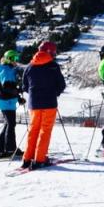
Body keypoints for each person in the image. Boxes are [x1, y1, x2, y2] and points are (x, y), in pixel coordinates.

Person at [20, 41, 66, 169]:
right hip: (49, 103)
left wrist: (34, 94)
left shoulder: (29, 66)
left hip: (33, 104)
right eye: (54, 52)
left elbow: (24, 86)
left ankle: (27, 158)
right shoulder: (53, 66)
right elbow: (61, 85)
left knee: (33, 130)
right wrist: (54, 93)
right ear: (50, 52)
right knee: (44, 131)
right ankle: (39, 159)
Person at [0, 49, 25, 158]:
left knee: (8, 123)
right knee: (11, 124)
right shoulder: (5, 70)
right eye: (14, 58)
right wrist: (18, 91)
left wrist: (18, 97)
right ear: (9, 59)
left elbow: (11, 87)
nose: (17, 61)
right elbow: (7, 88)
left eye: (17, 58)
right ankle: (10, 149)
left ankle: (2, 148)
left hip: (8, 101)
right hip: (5, 100)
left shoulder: (9, 69)